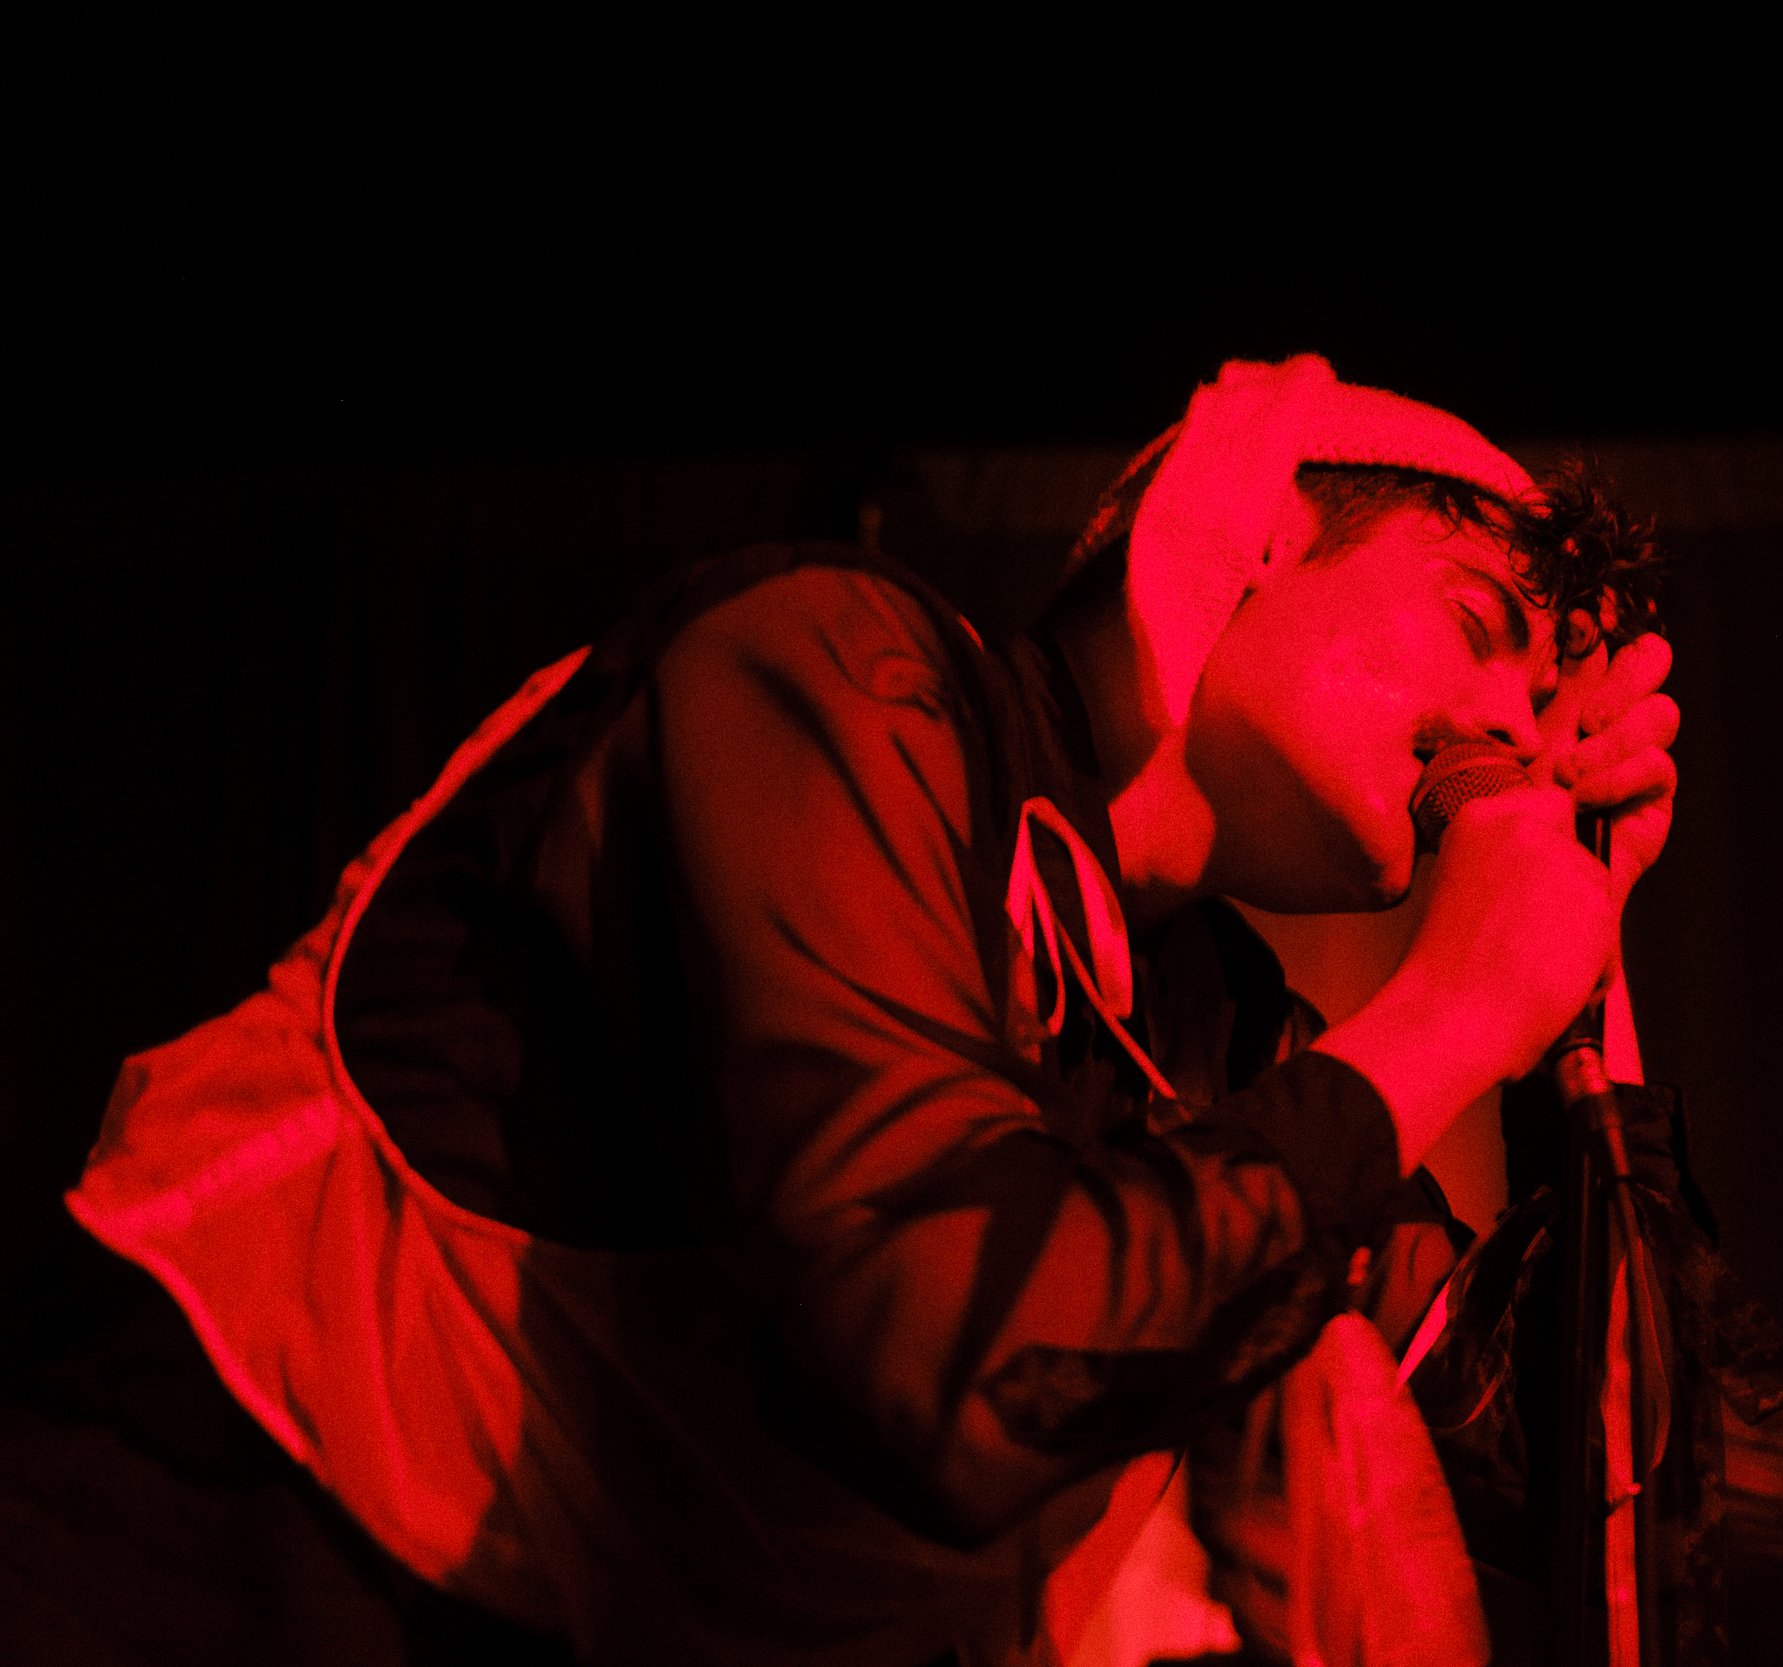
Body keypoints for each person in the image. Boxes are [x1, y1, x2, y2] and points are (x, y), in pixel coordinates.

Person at [25, 355, 1697, 1666]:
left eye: (1546, 698)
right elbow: (951, 1361)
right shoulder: (829, 669)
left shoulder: (1201, 1024)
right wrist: (1444, 1018)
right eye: (1483, 630)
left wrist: (1577, 990)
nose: (1516, 725)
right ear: (1262, 529)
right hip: (161, 1583)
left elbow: (1591, 1483)